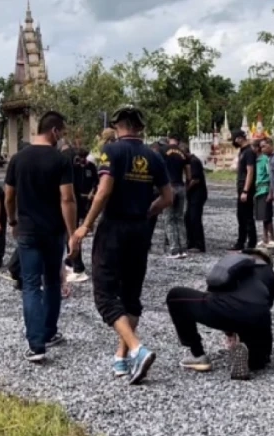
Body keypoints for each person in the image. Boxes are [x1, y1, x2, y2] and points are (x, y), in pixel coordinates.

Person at [71, 105, 173, 385]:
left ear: (117, 126)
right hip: (140, 229)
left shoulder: (112, 151)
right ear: (140, 127)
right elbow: (168, 198)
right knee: (131, 293)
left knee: (104, 295)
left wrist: (86, 224)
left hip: (114, 227)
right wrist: (147, 211)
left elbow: (103, 191)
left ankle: (137, 348)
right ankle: (122, 356)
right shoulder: (154, 156)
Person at [4, 111, 77, 363]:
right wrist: (72, 233)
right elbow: (67, 198)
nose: (62, 137)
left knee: (31, 285)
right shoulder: (60, 160)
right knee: (53, 283)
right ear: (54, 131)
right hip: (53, 231)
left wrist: (12, 220)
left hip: (27, 230)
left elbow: (9, 196)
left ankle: (36, 345)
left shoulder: (17, 159)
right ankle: (49, 332)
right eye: (62, 132)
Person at [165, 248, 274, 380]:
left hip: (226, 310)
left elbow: (214, 288)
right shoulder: (270, 274)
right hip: (256, 317)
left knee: (175, 296)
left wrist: (228, 332)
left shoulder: (233, 262)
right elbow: (266, 307)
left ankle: (198, 355)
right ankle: (255, 358)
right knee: (259, 358)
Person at [64, 147, 98, 283]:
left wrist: (92, 192)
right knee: (68, 235)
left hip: (78, 202)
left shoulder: (90, 167)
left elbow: (96, 181)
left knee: (72, 235)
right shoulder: (73, 167)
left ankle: (78, 268)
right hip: (75, 200)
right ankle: (70, 262)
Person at [163, 135, 191, 259]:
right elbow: (188, 172)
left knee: (169, 219)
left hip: (170, 187)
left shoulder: (164, 151)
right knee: (179, 218)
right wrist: (187, 183)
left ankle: (174, 249)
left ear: (169, 140)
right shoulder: (183, 153)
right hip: (180, 186)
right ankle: (184, 248)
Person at [231, 130, 257, 250]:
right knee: (241, 216)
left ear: (240, 138)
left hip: (246, 188)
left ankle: (251, 242)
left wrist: (246, 190)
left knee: (247, 216)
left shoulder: (249, 152)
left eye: (235, 139)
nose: (234, 141)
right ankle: (241, 241)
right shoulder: (242, 151)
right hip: (241, 187)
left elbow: (250, 172)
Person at [185, 147, 207, 253]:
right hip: (193, 195)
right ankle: (191, 242)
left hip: (197, 194)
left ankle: (199, 244)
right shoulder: (191, 161)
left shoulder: (194, 161)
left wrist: (186, 189)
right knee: (188, 218)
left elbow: (195, 180)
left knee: (195, 218)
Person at [254, 139, 274, 247]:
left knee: (267, 216)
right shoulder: (255, 161)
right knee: (262, 216)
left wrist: (271, 192)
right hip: (257, 191)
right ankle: (265, 237)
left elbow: (270, 176)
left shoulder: (265, 159)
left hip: (265, 189)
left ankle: (272, 238)